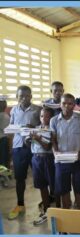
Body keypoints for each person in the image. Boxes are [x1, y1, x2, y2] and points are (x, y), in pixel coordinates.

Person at [8, 85, 41, 220]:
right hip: (18, 148)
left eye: (27, 95)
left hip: (34, 148)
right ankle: (20, 204)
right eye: (21, 96)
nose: (24, 98)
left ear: (31, 96)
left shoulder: (37, 110)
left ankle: (46, 203)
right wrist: (11, 148)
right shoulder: (14, 110)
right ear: (17, 97)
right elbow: (11, 128)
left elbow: (43, 126)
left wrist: (34, 128)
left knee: (40, 177)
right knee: (20, 178)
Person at [50, 93, 80, 209]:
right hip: (61, 161)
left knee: (79, 189)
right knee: (64, 190)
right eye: (64, 103)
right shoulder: (54, 120)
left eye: (70, 103)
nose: (67, 106)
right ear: (60, 105)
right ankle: (68, 214)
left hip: (78, 159)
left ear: (74, 105)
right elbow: (53, 140)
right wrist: (55, 152)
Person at [26, 107, 55, 225]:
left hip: (49, 159)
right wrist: (28, 137)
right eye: (42, 116)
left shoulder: (52, 130)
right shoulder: (36, 129)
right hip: (36, 159)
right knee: (42, 186)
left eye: (47, 116)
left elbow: (47, 147)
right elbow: (28, 143)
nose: (44, 119)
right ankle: (46, 210)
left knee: (54, 186)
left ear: (52, 118)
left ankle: (57, 209)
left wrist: (37, 138)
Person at [0, 97, 10, 168]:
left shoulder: (4, 116)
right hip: (4, 140)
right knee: (4, 159)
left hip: (3, 140)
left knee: (3, 159)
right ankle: (5, 175)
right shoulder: (6, 116)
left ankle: (4, 175)